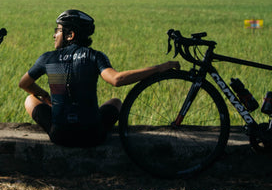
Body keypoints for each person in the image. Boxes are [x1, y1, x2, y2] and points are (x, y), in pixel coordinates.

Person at [18, 9, 180, 148]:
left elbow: (24, 83)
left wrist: (45, 95)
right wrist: (159, 68)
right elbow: (116, 79)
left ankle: (63, 117)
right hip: (93, 136)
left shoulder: (47, 58)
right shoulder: (94, 56)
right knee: (116, 102)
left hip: (60, 136)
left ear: (70, 35)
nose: (54, 35)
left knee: (29, 99)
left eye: (58, 30)